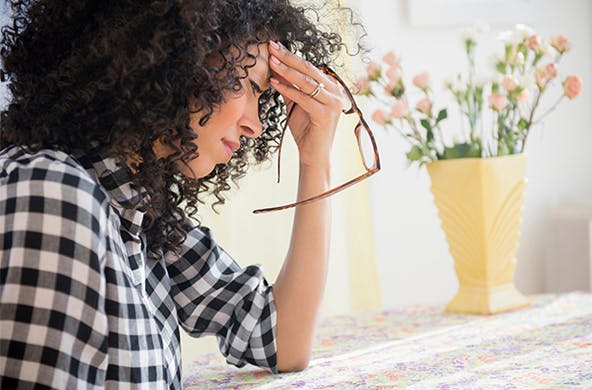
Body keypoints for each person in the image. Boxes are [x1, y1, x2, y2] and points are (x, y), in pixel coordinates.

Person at [0, 0, 364, 387]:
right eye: (250, 87)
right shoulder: (53, 196)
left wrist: (314, 161)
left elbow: (280, 339)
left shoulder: (139, 210)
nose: (255, 126)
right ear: (178, 58)